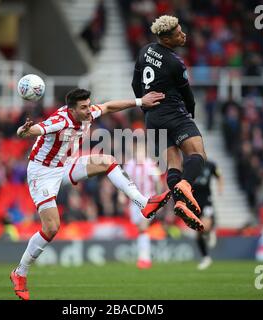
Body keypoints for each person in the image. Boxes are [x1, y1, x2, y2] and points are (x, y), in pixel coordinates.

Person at [10, 88, 171, 300]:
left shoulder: (88, 113)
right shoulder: (60, 120)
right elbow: (35, 130)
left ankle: (144, 203)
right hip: (43, 172)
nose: (89, 111)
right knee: (51, 228)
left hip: (64, 164)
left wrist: (141, 101)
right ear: (72, 110)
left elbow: (109, 106)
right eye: (83, 107)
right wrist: (23, 130)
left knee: (107, 161)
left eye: (88, 105)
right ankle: (20, 273)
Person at [132, 15, 207, 231]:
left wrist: (144, 106)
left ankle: (181, 203)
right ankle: (186, 187)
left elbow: (135, 83)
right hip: (174, 114)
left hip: (153, 119)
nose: (184, 35)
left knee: (174, 164)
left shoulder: (144, 51)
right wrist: (190, 112)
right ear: (166, 39)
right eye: (178, 34)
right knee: (198, 155)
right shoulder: (175, 62)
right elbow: (187, 94)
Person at [124, 140, 164, 269]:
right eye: (137, 150)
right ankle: (144, 255)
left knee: (143, 227)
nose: (139, 153)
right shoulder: (129, 165)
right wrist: (121, 196)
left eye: (141, 150)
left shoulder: (151, 165)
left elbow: (159, 183)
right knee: (140, 229)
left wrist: (158, 201)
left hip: (148, 200)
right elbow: (124, 183)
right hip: (134, 202)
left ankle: (144, 258)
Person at [192, 159, 223, 270]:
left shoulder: (211, 165)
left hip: (206, 200)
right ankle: (206, 257)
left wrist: (220, 187)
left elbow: (219, 176)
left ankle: (211, 229)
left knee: (205, 226)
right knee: (198, 234)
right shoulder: (190, 164)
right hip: (194, 202)